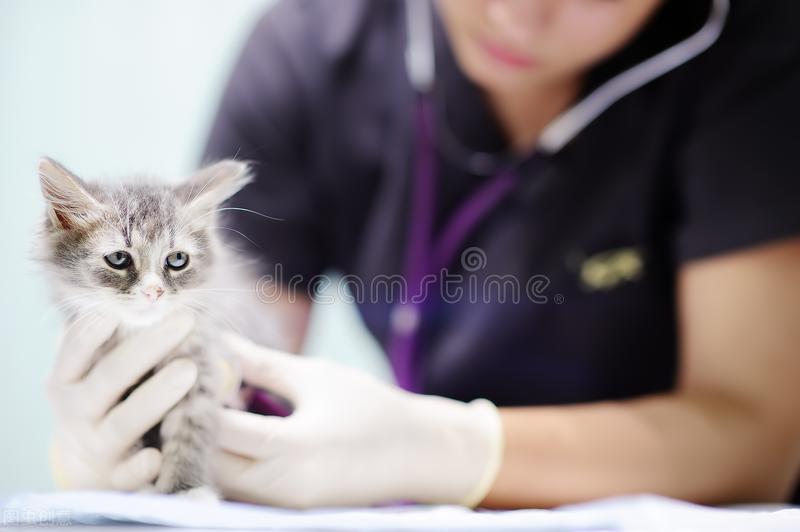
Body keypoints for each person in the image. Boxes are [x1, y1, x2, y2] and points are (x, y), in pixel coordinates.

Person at [48, 0, 800, 509]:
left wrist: (445, 447)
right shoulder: (314, 45)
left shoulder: (757, 62)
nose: (520, 15)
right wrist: (131, 427)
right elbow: (247, 332)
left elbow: (756, 439)